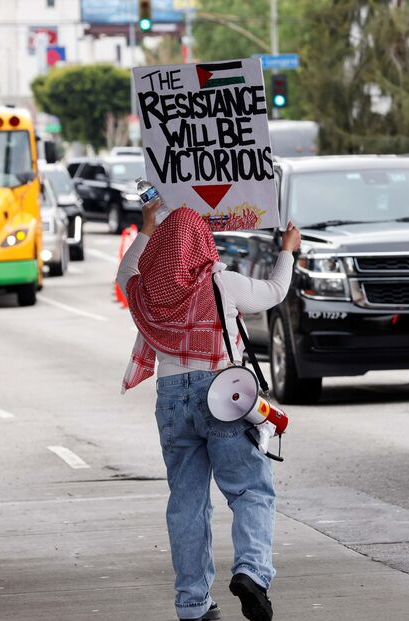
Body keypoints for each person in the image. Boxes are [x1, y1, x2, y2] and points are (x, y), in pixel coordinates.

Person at [117, 202, 301, 621]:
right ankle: (252, 572)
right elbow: (274, 292)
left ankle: (192, 604)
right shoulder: (222, 283)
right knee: (250, 489)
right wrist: (287, 249)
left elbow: (124, 274)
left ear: (163, 247)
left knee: (186, 502)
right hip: (222, 394)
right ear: (202, 242)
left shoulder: (145, 291)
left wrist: (147, 228)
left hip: (170, 397)